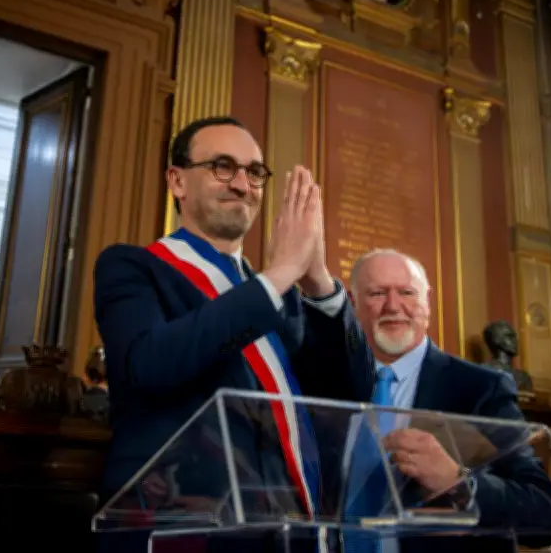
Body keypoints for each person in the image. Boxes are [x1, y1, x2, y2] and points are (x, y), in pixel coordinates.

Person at [94, 116, 374, 552]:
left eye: (254, 172)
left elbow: (351, 391)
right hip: (187, 528)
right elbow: (149, 365)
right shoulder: (133, 268)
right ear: (178, 180)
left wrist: (317, 279)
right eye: (222, 166)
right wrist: (281, 272)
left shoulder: (281, 296)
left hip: (288, 531)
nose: (242, 184)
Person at [345, 249, 551, 553]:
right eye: (377, 293)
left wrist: (458, 483)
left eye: (406, 292)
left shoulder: (481, 388)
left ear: (427, 302)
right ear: (353, 304)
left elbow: (543, 515)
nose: (393, 306)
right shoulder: (328, 382)